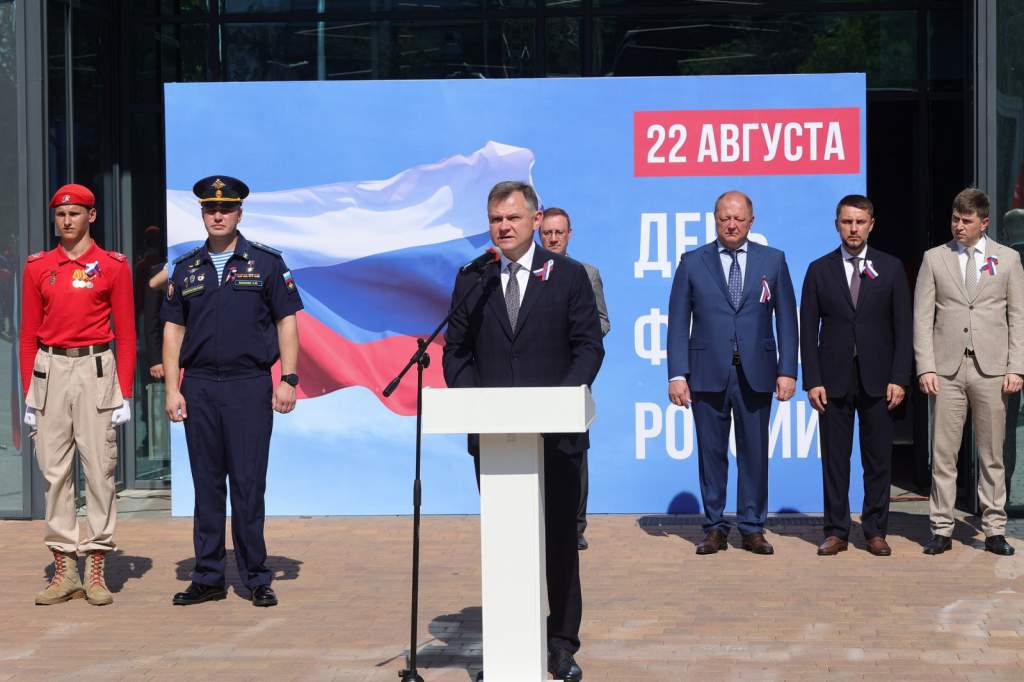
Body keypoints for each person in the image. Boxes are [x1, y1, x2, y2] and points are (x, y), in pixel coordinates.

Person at [443, 181, 603, 682]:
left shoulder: (569, 276)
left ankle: (561, 644)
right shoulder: (474, 278)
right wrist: (476, 404)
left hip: (557, 435)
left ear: (536, 220)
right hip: (496, 441)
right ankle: (511, 643)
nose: (504, 227)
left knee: (559, 542)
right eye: (496, 219)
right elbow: (456, 351)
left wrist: (557, 404)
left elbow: (588, 347)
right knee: (506, 542)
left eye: (512, 218)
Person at [162, 176, 303, 606]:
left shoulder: (266, 263)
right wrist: (172, 388)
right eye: (210, 209)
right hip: (200, 387)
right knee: (206, 487)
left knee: (247, 486)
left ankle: (256, 577)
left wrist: (288, 378)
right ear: (202, 214)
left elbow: (286, 322)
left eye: (226, 208)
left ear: (240, 212)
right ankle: (207, 577)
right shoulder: (186, 267)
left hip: (248, 386)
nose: (218, 215)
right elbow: (173, 331)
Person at [20, 183, 136, 606]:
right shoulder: (38, 267)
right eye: (60, 214)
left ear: (92, 216)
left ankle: (97, 564)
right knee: (54, 473)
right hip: (50, 369)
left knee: (100, 470)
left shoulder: (112, 266)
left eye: (74, 213)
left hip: (95, 367)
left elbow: (126, 333)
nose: (66, 221)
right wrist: (29, 393)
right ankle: (65, 567)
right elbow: (28, 335)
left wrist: (125, 391)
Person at [667, 190, 798, 556]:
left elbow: (787, 319)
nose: (731, 224)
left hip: (756, 373)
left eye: (738, 218)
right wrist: (677, 374)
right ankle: (714, 527)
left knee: (754, 454)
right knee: (711, 455)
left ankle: (752, 527)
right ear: (715, 219)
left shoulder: (773, 260)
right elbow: (677, 321)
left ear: (751, 221)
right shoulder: (692, 262)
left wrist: (788, 370)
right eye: (725, 217)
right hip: (706, 373)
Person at [800, 195, 912, 557]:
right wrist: (812, 379)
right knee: (835, 461)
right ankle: (836, 531)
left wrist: (900, 377)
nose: (853, 229)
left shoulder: (890, 268)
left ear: (871, 225)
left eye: (860, 222)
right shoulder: (819, 270)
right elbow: (807, 330)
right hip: (832, 380)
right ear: (837, 225)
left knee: (878, 460)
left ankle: (875, 531)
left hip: (879, 379)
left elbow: (903, 328)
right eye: (847, 222)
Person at [913, 187, 1023, 556]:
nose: (958, 226)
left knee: (992, 454)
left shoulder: (1008, 259)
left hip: (992, 370)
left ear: (984, 222)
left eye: (966, 220)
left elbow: (1018, 317)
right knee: (944, 453)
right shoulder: (934, 258)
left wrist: (1016, 367)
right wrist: (925, 366)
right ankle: (941, 528)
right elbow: (922, 317)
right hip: (946, 370)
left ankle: (994, 529)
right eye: (955, 219)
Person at [539, 206, 610, 552]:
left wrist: (573, 340)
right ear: (539, 234)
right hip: (533, 379)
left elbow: (602, 321)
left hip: (573, 375)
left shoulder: (587, 273)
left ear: (569, 235)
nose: (553, 239)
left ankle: (575, 525)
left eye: (559, 233)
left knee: (574, 452)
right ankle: (538, 520)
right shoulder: (525, 273)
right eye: (547, 233)